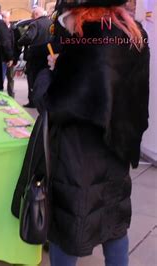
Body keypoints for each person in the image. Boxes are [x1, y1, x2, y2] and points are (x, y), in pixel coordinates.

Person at [12, 0, 150, 265]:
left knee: (69, 229)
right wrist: (64, 65)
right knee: (114, 226)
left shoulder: (88, 40)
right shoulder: (133, 34)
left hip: (77, 155)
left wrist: (45, 72)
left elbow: (53, 104)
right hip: (117, 147)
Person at [17, 7, 52, 108]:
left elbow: (28, 37)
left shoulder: (35, 24)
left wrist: (20, 41)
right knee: (44, 78)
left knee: (32, 79)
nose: (32, 17)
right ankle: (43, 99)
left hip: (34, 56)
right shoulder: (50, 23)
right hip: (47, 56)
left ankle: (32, 101)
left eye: (32, 15)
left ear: (36, 14)